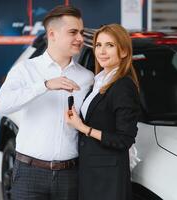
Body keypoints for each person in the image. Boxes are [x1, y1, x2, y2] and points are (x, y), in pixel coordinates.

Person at [0, 5, 94, 200]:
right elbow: (1, 105)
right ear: (52, 34)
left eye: (81, 32)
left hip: (70, 175)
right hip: (30, 173)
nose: (81, 39)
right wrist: (45, 85)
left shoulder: (87, 77)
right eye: (73, 32)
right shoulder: (26, 69)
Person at [65, 24, 140, 200]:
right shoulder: (98, 81)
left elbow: (124, 139)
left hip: (108, 180)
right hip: (91, 173)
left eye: (110, 45)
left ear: (123, 52)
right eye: (99, 45)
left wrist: (83, 128)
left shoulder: (123, 86)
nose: (102, 51)